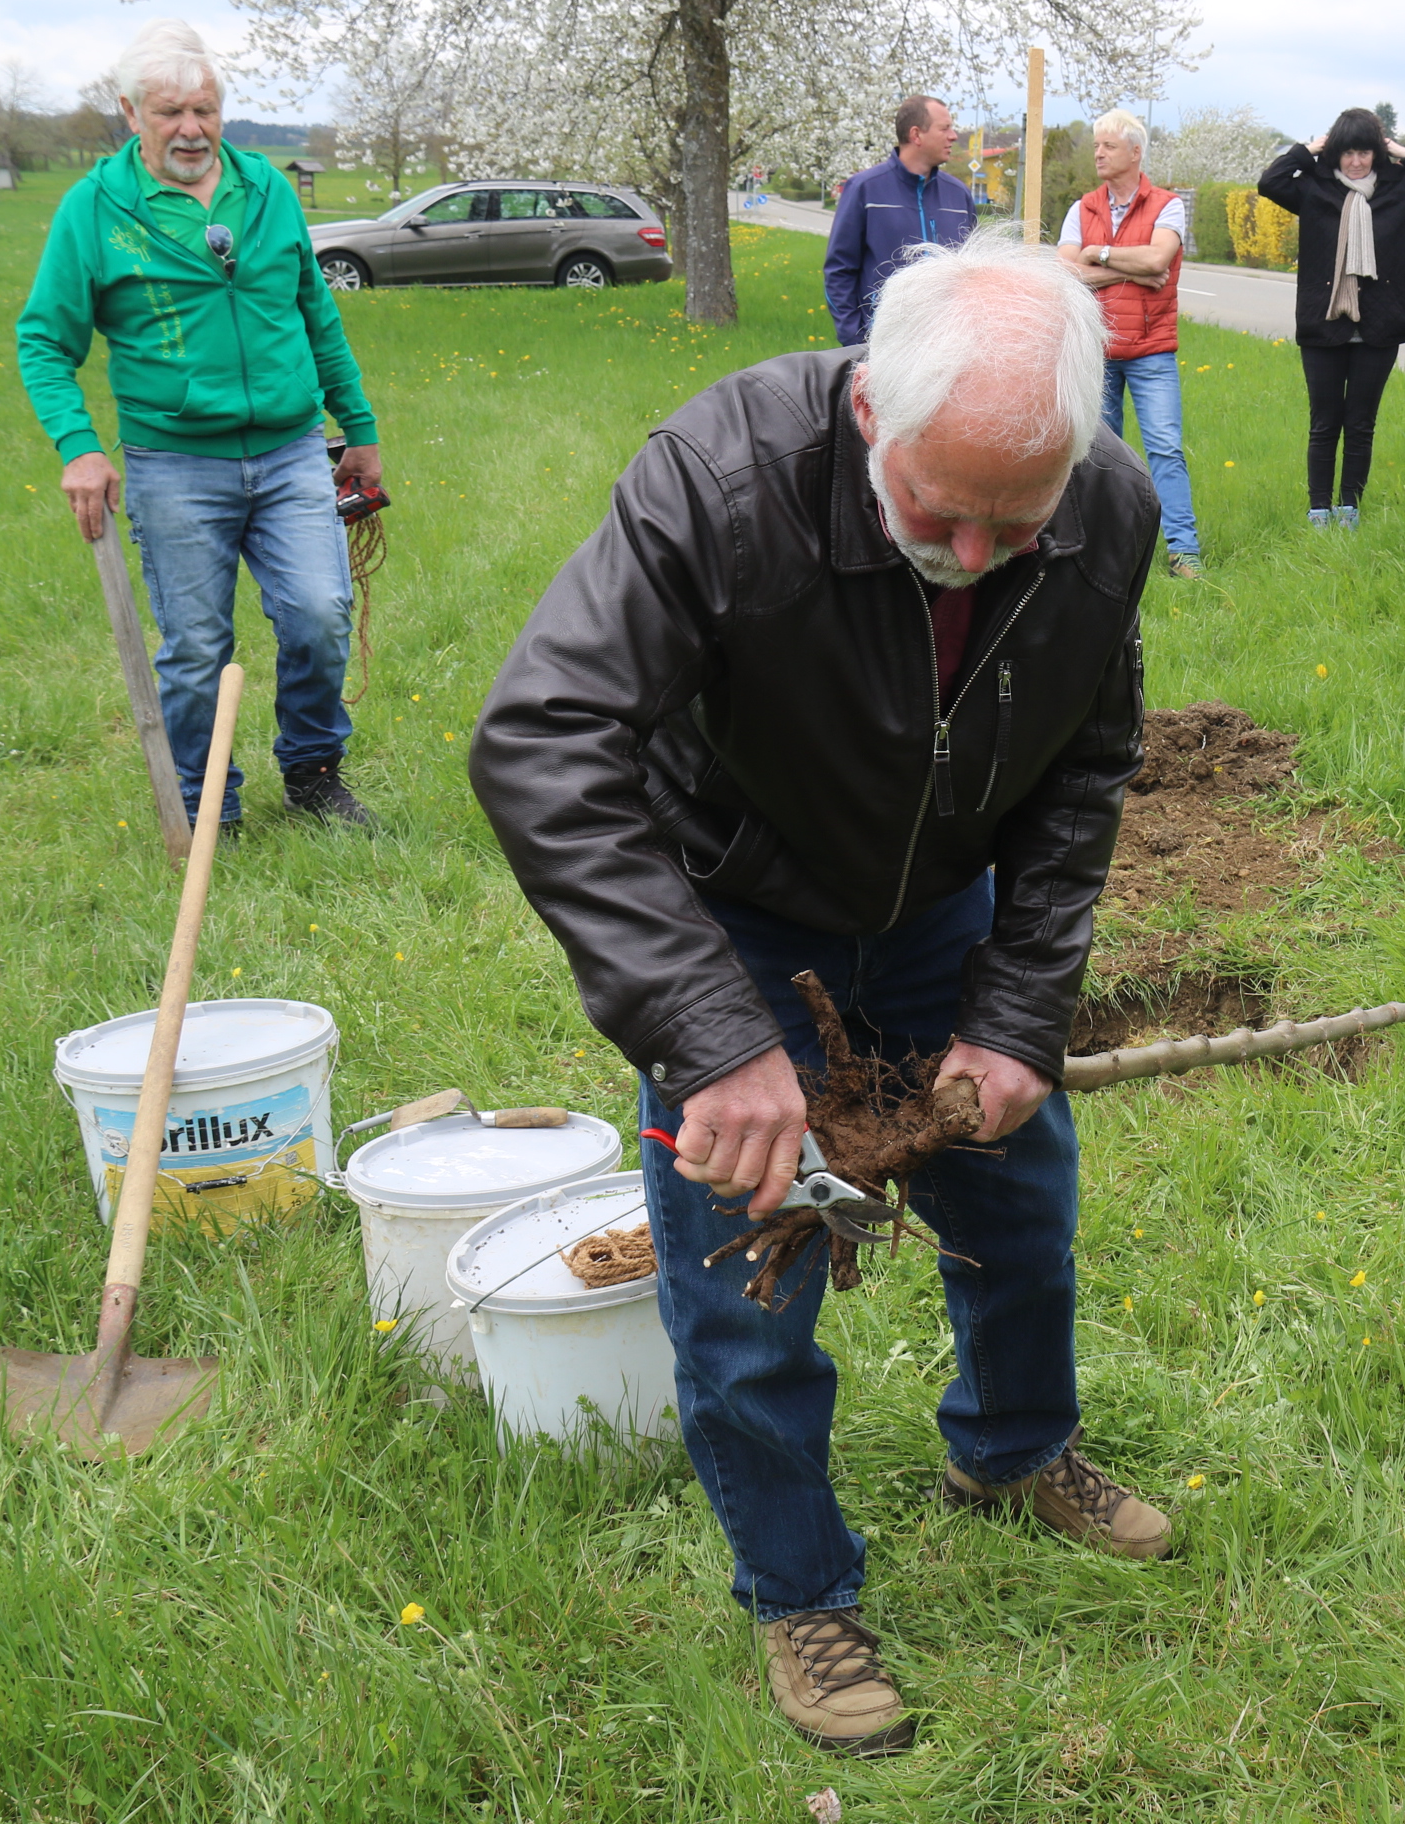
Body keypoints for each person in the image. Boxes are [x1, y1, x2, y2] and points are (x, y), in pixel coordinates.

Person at [470, 233, 1170, 1761]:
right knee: (752, 1272)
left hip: (942, 910)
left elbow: (1085, 768)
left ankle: (1013, 1451)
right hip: (733, 916)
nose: (977, 554)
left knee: (1018, 1204)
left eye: (1017, 519)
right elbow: (543, 742)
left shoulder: (1108, 506)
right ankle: (800, 1590)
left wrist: (1017, 1011)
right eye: (942, 510)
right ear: (870, 414)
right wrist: (712, 1040)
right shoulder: (725, 482)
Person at [16, 18, 381, 838]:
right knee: (195, 650)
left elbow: (316, 313)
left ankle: (315, 771)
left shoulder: (266, 190)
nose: (192, 129)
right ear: (130, 112)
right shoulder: (96, 210)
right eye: (171, 111)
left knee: (321, 615)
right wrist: (78, 446)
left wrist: (356, 425)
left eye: (206, 110)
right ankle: (204, 801)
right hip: (176, 465)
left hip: (290, 450)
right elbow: (45, 340)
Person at [1256, 109, 1405, 527]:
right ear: (1334, 153)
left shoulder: (1403, 190)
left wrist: (1401, 150)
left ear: (1377, 152)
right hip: (1323, 322)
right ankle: (1318, 509)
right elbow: (1270, 182)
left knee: (1361, 424)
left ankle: (1349, 508)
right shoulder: (1314, 189)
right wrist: (1309, 149)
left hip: (1380, 325)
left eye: (1364, 152)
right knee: (1324, 422)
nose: (1355, 162)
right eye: (1347, 152)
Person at [1061, 109, 1203, 579]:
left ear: (1136, 152)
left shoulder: (1167, 205)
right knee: (1099, 452)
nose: (1098, 153)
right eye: (1097, 146)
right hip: (1095, 351)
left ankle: (1183, 551)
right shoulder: (1083, 208)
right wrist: (1129, 268)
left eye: (1109, 146)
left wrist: (1098, 254)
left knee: (1165, 447)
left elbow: (1159, 256)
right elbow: (1065, 272)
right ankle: (1102, 551)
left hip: (1151, 351)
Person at [823, 95, 973, 347]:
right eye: (944, 128)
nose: (954, 136)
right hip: (886, 349)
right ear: (916, 135)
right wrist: (857, 342)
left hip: (949, 349)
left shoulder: (959, 196)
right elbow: (839, 272)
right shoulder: (865, 189)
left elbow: (972, 273)